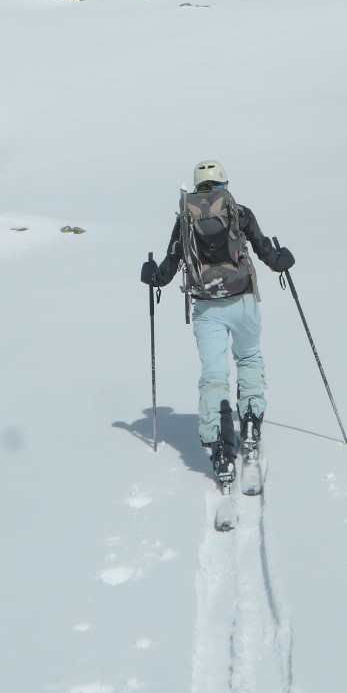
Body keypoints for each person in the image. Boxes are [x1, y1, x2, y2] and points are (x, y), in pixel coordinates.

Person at [141, 159, 294, 486]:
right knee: (249, 356)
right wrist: (282, 261)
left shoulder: (185, 218)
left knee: (214, 374)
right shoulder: (239, 212)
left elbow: (168, 267)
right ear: (224, 184)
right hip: (243, 300)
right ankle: (251, 420)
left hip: (207, 308)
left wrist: (152, 276)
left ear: (196, 188)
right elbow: (266, 251)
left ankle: (220, 445)